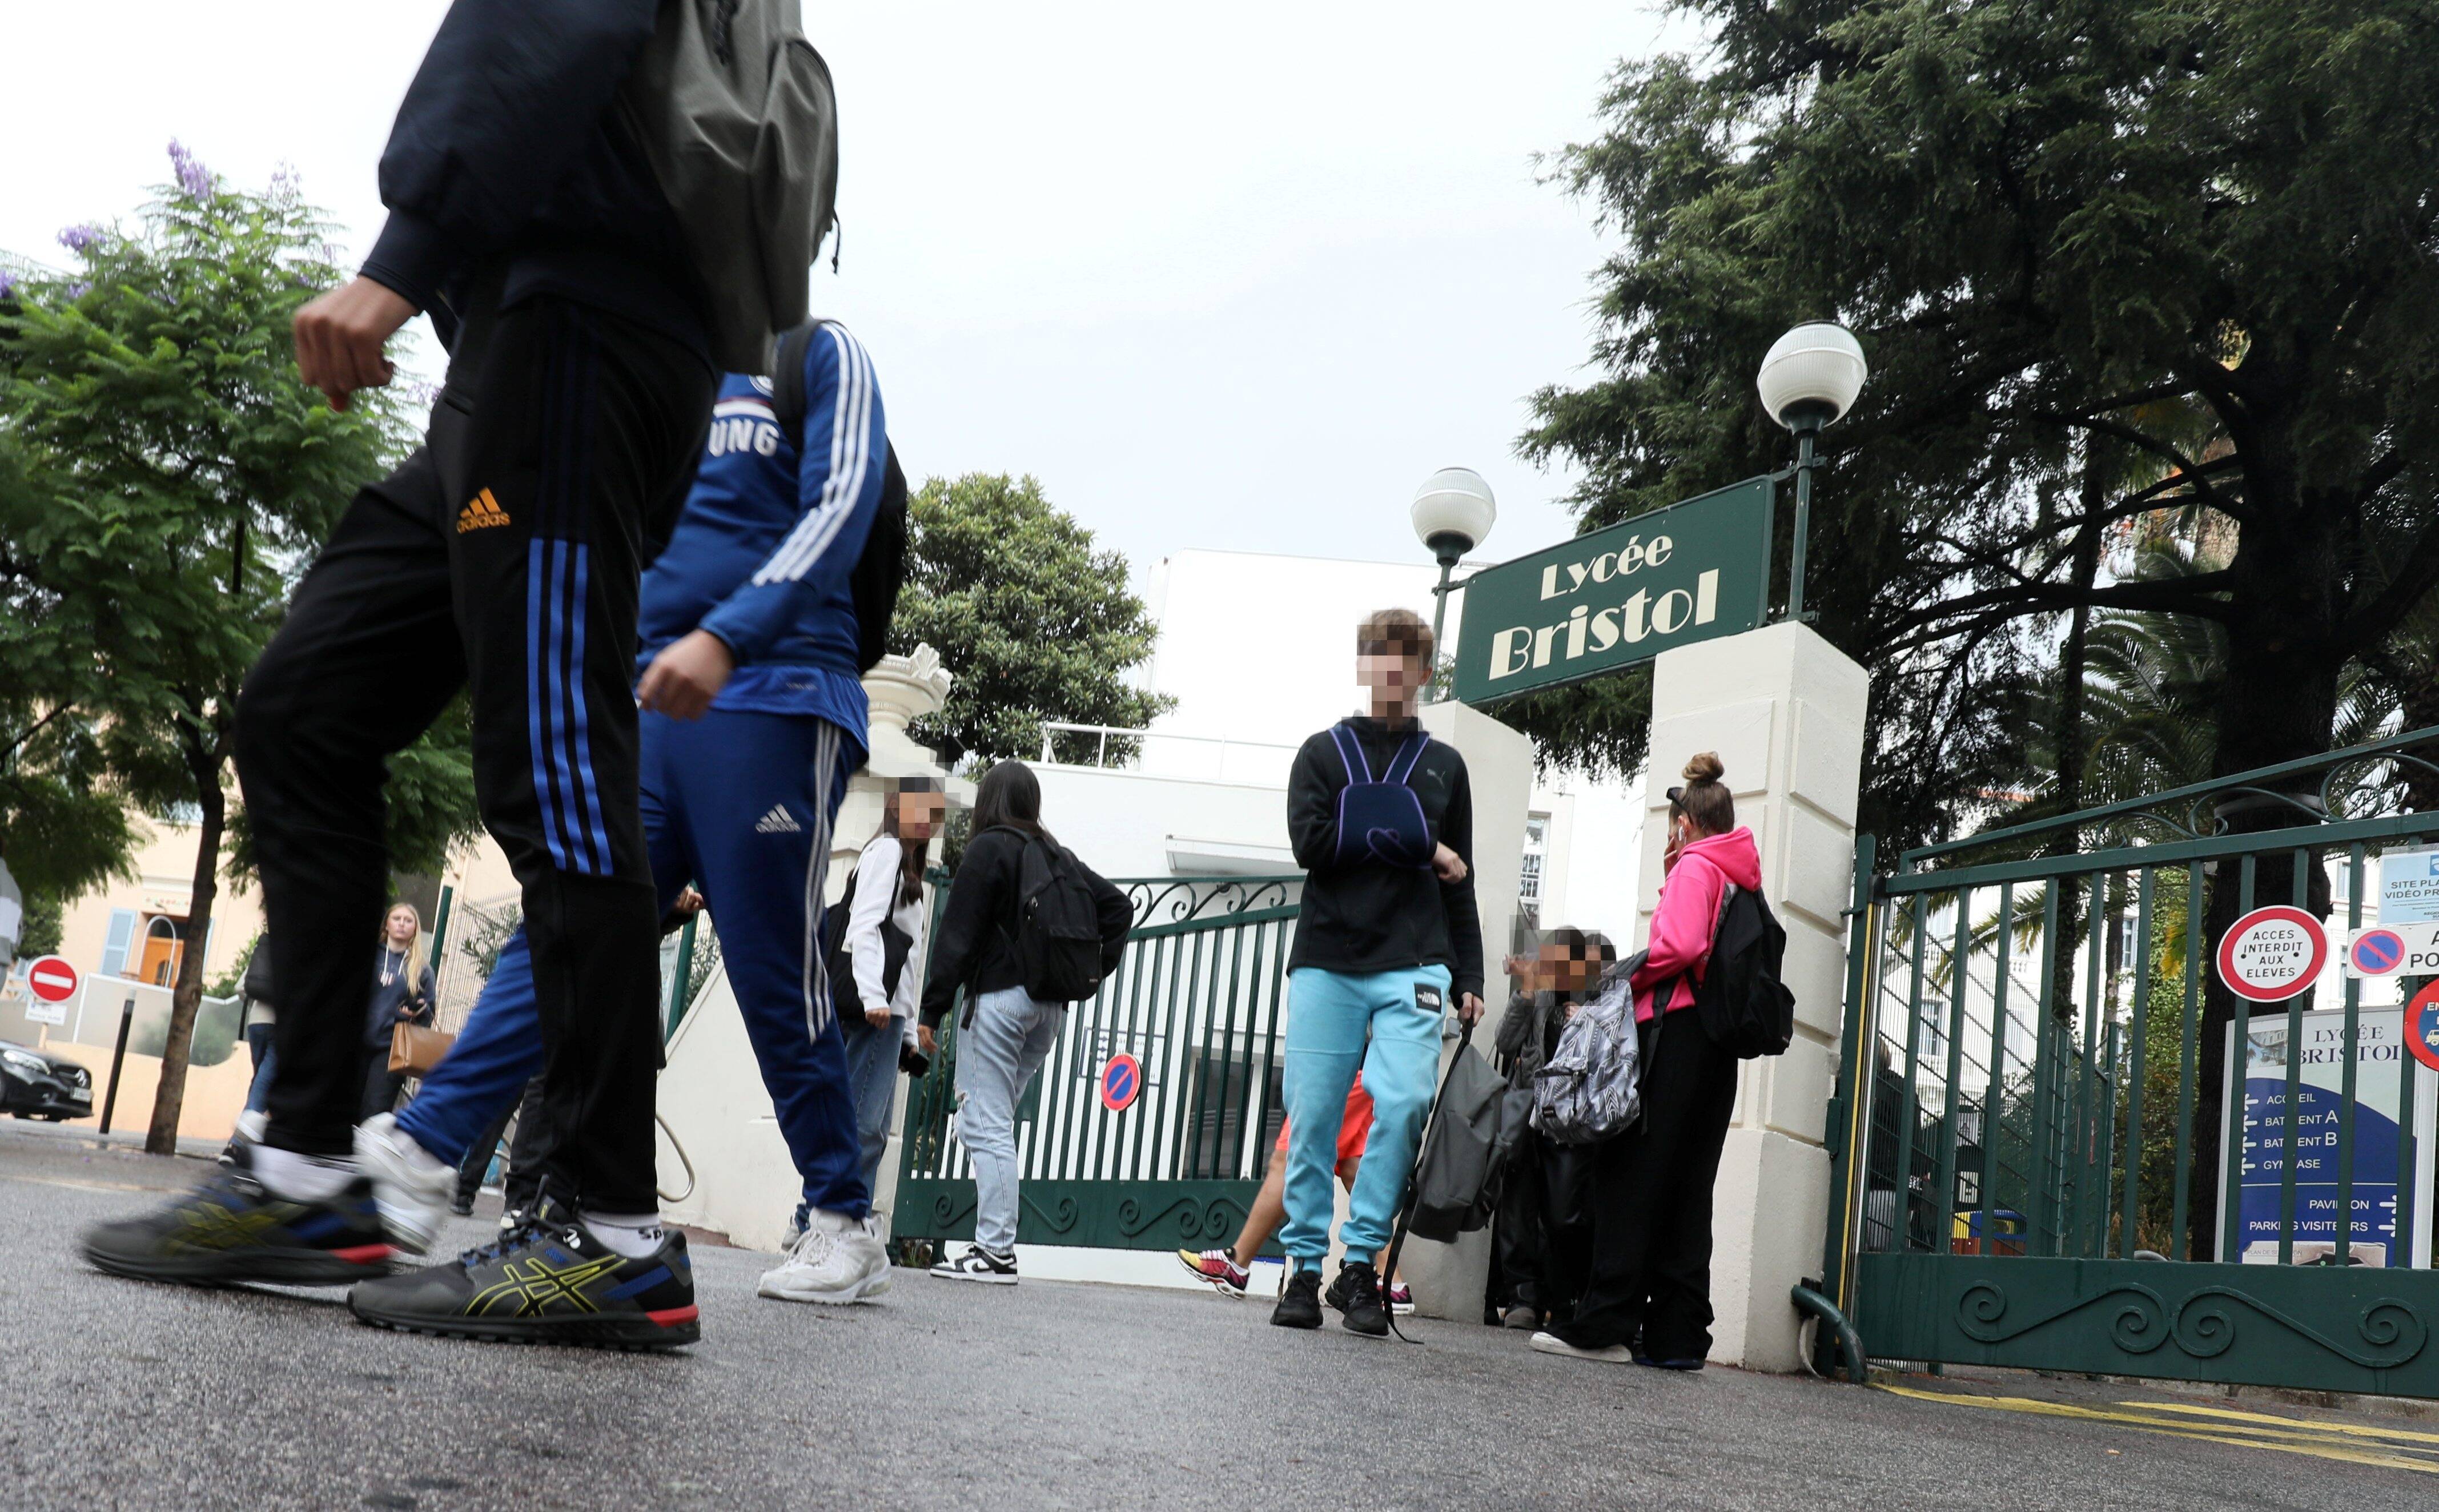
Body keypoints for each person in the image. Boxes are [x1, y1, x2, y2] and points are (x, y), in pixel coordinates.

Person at [81, 0, 746, 1345]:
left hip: (586, 327)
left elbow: (555, 25)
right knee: (303, 710)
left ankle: (609, 1229)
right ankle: (311, 1170)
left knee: (554, 769)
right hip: (504, 346)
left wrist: (401, 257)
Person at [339, 316, 902, 1326]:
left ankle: (843, 1219)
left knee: (778, 971)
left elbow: (844, 503)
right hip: (648, 700)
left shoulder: (814, 354)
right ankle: (426, 1149)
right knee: (569, 917)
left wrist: (728, 634)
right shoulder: (663, 359)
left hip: (775, 691)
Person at [1271, 608, 1483, 1337]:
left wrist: (1472, 973)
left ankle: (1357, 1263)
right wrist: (1422, 848)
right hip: (1329, 957)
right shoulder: (1321, 753)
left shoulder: (1444, 766)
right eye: (1377, 658)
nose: (1390, 671)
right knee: (1313, 1117)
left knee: (1402, 1105)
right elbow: (1312, 843)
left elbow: (1464, 879)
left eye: (1405, 660)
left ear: (1424, 673)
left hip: (1417, 959)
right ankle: (1301, 1267)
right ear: (1363, 668)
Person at [1532, 752, 1759, 1369]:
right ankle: (1678, 1336)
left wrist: (1626, 978)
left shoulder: (1695, 867)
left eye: (1672, 819)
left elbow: (1680, 945)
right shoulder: (1739, 874)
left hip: (1674, 1034)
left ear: (1685, 822)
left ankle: (1605, 1322)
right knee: (1687, 1190)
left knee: (1628, 1177)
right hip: (1715, 1045)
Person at [918, 761, 1132, 1284]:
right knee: (992, 1124)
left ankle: (994, 1252)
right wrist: (1092, 970)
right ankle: (992, 1247)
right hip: (1047, 1010)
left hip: (997, 1004)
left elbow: (957, 936)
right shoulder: (1056, 854)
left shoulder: (989, 848)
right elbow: (1118, 910)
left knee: (986, 1125)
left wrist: (930, 1012)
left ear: (990, 801)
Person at [1173, 1077, 1415, 1314]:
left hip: (1338, 1066)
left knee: (1289, 1157)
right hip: (1364, 1068)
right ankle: (1392, 1282)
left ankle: (1238, 1261)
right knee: (1352, 1167)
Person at [1486, 927, 1609, 1329]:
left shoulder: (1596, 997)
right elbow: (1505, 1044)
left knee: (1562, 1215)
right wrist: (1523, 993)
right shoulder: (1535, 994)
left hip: (1571, 1125)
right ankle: (1523, 1296)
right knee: (1517, 1207)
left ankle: (1563, 1298)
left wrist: (1587, 1023)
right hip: (1527, 1115)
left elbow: (1610, 1059)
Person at [833, 778, 945, 1201]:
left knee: (869, 1128)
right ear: (896, 805)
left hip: (888, 1015)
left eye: (936, 815)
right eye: (922, 809)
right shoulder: (887, 851)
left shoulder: (910, 869)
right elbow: (864, 926)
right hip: (873, 1009)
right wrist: (874, 997)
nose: (929, 822)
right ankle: (833, 1223)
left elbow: (908, 960)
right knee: (861, 1127)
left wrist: (909, 1026)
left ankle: (825, 1222)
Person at [360, 903, 437, 1120]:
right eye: (397, 918)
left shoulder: (421, 969)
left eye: (408, 920)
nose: (402, 924)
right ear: (387, 924)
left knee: (375, 1115)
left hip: (391, 1050)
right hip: (356, 1044)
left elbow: (428, 1013)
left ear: (415, 929)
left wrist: (416, 1012)